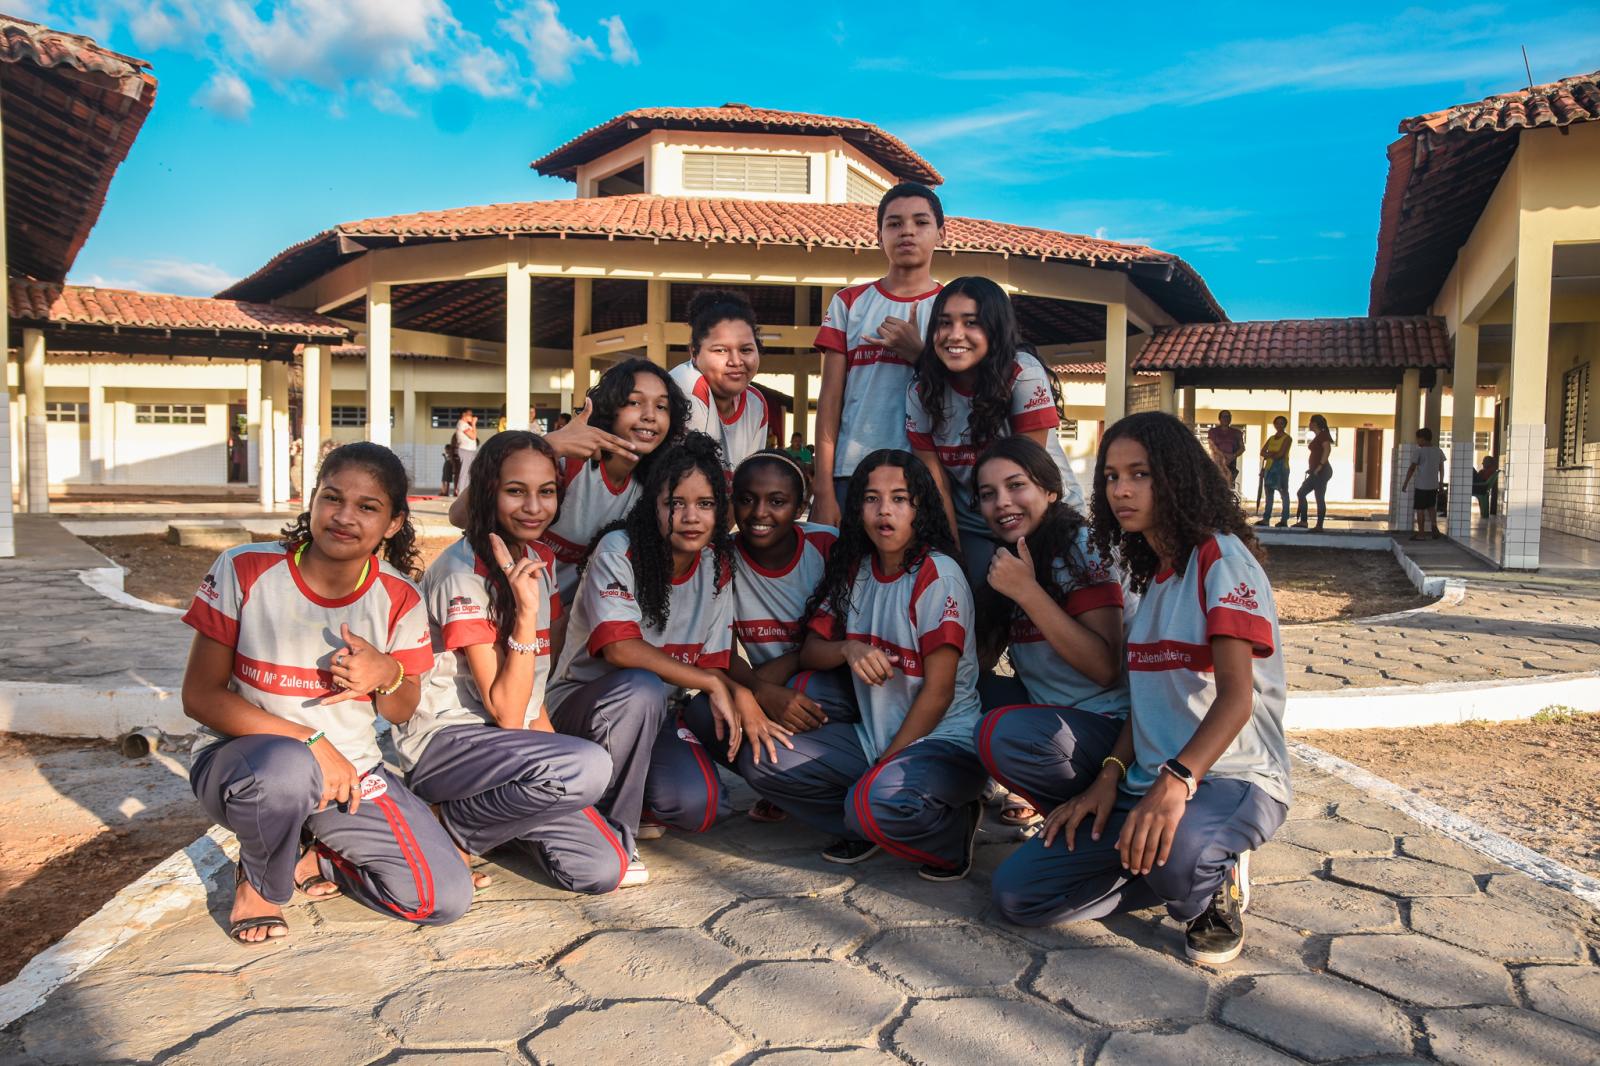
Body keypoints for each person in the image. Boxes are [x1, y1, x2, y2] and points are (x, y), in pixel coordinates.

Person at [991, 412, 1290, 967]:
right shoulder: (1157, 575)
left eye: (1140, 474)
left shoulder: (1220, 561)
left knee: (1180, 855)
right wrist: (1107, 776)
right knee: (1019, 895)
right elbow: (1148, 704)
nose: (1121, 490)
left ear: (1176, 476)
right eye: (1110, 477)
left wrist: (1175, 782)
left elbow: (1236, 698)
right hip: (1146, 783)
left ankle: (1209, 879)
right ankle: (1165, 866)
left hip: (1232, 777)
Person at [181, 442, 471, 943]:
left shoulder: (400, 596)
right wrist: (312, 742)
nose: (344, 516)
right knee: (286, 768)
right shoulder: (245, 569)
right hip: (245, 766)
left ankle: (319, 850)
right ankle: (261, 879)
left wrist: (386, 673)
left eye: (367, 507)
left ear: (394, 523)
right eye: (331, 498)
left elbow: (402, 711)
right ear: (312, 500)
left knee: (442, 898)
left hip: (350, 775)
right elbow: (200, 696)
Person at [397, 431, 638, 894]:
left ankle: (489, 823)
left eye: (546, 492)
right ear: (488, 491)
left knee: (602, 867)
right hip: (448, 745)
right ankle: (446, 821)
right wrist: (526, 615)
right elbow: (507, 711)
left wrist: (560, 773)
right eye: (515, 491)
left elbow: (533, 702)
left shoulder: (539, 559)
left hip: (509, 752)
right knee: (586, 766)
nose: (534, 507)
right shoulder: (461, 573)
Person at [743, 449, 988, 882]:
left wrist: (886, 764)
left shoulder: (937, 575)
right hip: (872, 737)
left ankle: (950, 831)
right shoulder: (856, 568)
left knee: (874, 803)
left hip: (942, 741)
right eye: (871, 498)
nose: (884, 511)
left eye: (899, 498)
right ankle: (868, 814)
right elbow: (813, 650)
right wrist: (849, 649)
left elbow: (940, 691)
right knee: (764, 761)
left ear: (920, 507)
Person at [546, 433, 773, 876]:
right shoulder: (620, 550)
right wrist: (711, 683)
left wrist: (742, 691)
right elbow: (619, 648)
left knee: (699, 807)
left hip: (658, 711)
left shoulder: (716, 564)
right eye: (676, 503)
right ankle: (613, 831)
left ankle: (629, 788)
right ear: (654, 505)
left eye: (705, 504)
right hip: (582, 707)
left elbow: (712, 659)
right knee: (641, 685)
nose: (691, 517)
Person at [968, 437, 1127, 832]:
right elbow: (981, 660)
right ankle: (968, 787)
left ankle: (1079, 807)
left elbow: (1105, 667)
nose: (1002, 501)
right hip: (1051, 712)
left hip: (1107, 726)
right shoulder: (1016, 553)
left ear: (1050, 490)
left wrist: (1026, 591)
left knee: (999, 734)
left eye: (1016, 485)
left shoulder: (1080, 546)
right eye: (988, 494)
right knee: (958, 687)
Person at [682, 450, 848, 823]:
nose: (759, 513)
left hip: (834, 686)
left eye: (777, 501)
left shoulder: (828, 547)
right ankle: (785, 786)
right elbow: (715, 652)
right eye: (746, 499)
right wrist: (758, 693)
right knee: (703, 712)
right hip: (771, 682)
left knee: (811, 687)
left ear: (802, 505)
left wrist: (769, 683)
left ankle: (837, 781)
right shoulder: (719, 559)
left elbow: (838, 640)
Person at [448, 359, 681, 603]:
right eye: (634, 402)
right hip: (489, 603)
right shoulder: (564, 464)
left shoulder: (652, 490)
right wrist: (546, 445)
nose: (650, 416)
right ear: (610, 407)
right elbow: (459, 516)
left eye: (662, 406)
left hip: (558, 621)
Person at [905, 276, 1085, 590]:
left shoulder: (1022, 373)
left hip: (1047, 516)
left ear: (995, 328)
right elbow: (939, 489)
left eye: (971, 322)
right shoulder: (920, 391)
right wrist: (955, 558)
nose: (954, 335)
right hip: (975, 526)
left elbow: (1027, 476)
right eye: (944, 323)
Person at [811, 183, 946, 527]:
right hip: (851, 471)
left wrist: (919, 354)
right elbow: (829, 403)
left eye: (920, 222)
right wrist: (824, 490)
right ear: (879, 235)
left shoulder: (953, 308)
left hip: (929, 474)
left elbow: (964, 393)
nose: (907, 232)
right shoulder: (849, 303)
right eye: (895, 223)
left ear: (941, 234)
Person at [670, 290, 769, 472]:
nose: (736, 361)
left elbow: (751, 478)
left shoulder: (756, 403)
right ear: (694, 352)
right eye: (721, 350)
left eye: (746, 350)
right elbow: (691, 482)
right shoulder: (688, 385)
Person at [1401, 426, 1446, 541]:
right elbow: (1441, 468)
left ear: (1423, 439)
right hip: (1433, 485)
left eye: (1418, 439)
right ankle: (1434, 526)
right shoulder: (1438, 451)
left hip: (1421, 485)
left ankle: (1421, 534)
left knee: (1420, 509)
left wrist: (1405, 483)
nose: (1417, 441)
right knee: (1431, 507)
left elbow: (1412, 468)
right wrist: (1440, 483)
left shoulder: (1419, 451)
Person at [1291, 415, 1333, 530]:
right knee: (1301, 493)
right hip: (1315, 471)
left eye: (1310, 422)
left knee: (1319, 497)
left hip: (1322, 471)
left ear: (1315, 423)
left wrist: (1320, 466)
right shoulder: (1318, 436)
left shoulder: (1323, 435)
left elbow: (1327, 449)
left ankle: (1319, 525)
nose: (1309, 424)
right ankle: (1303, 522)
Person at [1257, 416, 1292, 528]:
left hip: (1282, 469)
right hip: (1269, 468)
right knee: (1268, 494)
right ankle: (1266, 518)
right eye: (1277, 423)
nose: (1279, 425)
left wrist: (1270, 453)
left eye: (1282, 423)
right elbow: (1262, 452)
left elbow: (1281, 454)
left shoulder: (1287, 438)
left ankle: (1284, 519)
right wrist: (1272, 454)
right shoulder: (1271, 438)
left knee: (1283, 493)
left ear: (1285, 425)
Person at [1206, 411, 1244, 489]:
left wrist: (1233, 456)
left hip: (1231, 463)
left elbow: (1242, 448)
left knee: (1228, 486)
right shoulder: (1213, 431)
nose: (1226, 419)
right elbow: (1212, 446)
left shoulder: (1237, 432)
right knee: (1216, 485)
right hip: (1217, 462)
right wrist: (1224, 455)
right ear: (1219, 418)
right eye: (1224, 416)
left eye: (1228, 417)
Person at [453, 410, 479, 496]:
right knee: (465, 471)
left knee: (468, 471)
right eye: (470, 415)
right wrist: (474, 424)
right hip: (466, 450)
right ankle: (460, 491)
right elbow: (473, 436)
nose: (472, 417)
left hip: (469, 450)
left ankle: (465, 491)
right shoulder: (462, 424)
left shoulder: (465, 425)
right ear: (464, 415)